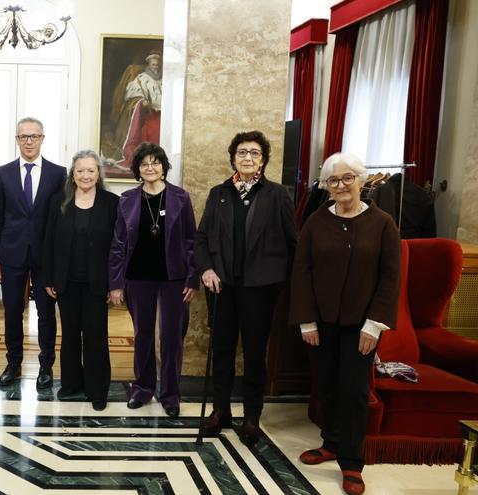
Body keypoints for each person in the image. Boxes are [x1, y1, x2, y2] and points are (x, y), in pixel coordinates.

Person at [290, 152, 400, 495]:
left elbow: (391, 277)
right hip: (321, 323)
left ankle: (352, 463)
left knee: (353, 391)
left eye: (347, 178)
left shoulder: (383, 223)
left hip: (362, 325)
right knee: (328, 386)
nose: (340, 186)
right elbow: (302, 271)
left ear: (362, 180)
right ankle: (332, 442)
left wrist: (375, 325)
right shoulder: (316, 222)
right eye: (333, 180)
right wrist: (306, 319)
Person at [194, 130, 297, 444]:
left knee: (254, 354)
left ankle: (252, 416)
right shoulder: (219, 193)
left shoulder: (277, 194)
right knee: (223, 350)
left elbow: (291, 243)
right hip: (223, 288)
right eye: (242, 152)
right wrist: (207, 269)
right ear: (233, 157)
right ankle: (220, 410)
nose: (248, 158)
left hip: (260, 289)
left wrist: (277, 283)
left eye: (254, 153)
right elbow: (201, 240)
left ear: (263, 159)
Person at [108, 142, 198, 417]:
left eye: (155, 163)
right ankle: (142, 388)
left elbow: (191, 241)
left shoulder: (181, 198)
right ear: (138, 169)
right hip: (138, 277)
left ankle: (170, 394)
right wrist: (115, 283)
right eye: (144, 164)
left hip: (174, 278)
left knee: (172, 336)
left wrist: (192, 278)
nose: (150, 167)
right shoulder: (127, 199)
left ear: (163, 167)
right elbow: (118, 244)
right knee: (143, 334)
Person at [0, 117, 66, 389]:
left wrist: (59, 261)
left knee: (46, 313)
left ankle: (46, 366)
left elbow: (62, 218)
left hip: (46, 257)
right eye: (24, 136)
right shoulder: (3, 172)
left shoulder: (59, 174)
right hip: (11, 254)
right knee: (12, 310)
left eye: (34, 136)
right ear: (17, 140)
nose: (29, 141)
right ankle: (13, 363)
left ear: (43, 138)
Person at [42, 150, 119, 410]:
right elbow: (48, 243)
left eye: (91, 170)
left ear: (99, 174)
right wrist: (49, 278)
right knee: (71, 335)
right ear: (72, 175)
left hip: (98, 282)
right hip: (66, 282)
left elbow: (118, 247)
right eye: (80, 170)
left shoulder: (112, 203)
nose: (85, 175)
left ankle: (97, 390)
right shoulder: (58, 202)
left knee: (96, 336)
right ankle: (71, 384)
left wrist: (115, 283)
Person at [115, 53, 162, 166]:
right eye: (153, 64)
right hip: (148, 114)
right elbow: (131, 94)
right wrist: (142, 101)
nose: (155, 67)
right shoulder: (142, 78)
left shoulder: (162, 79)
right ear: (149, 65)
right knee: (152, 130)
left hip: (161, 114)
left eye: (156, 65)